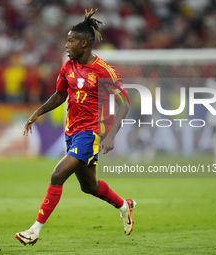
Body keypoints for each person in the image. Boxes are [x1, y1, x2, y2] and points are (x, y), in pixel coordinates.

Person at [16, 9, 135, 245]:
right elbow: (60, 95)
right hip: (70, 132)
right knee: (89, 186)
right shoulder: (68, 66)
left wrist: (110, 136)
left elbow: (125, 104)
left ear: (83, 43)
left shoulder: (104, 71)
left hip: (90, 134)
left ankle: (34, 230)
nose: (66, 45)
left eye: (70, 40)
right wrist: (38, 112)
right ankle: (125, 205)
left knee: (57, 174)